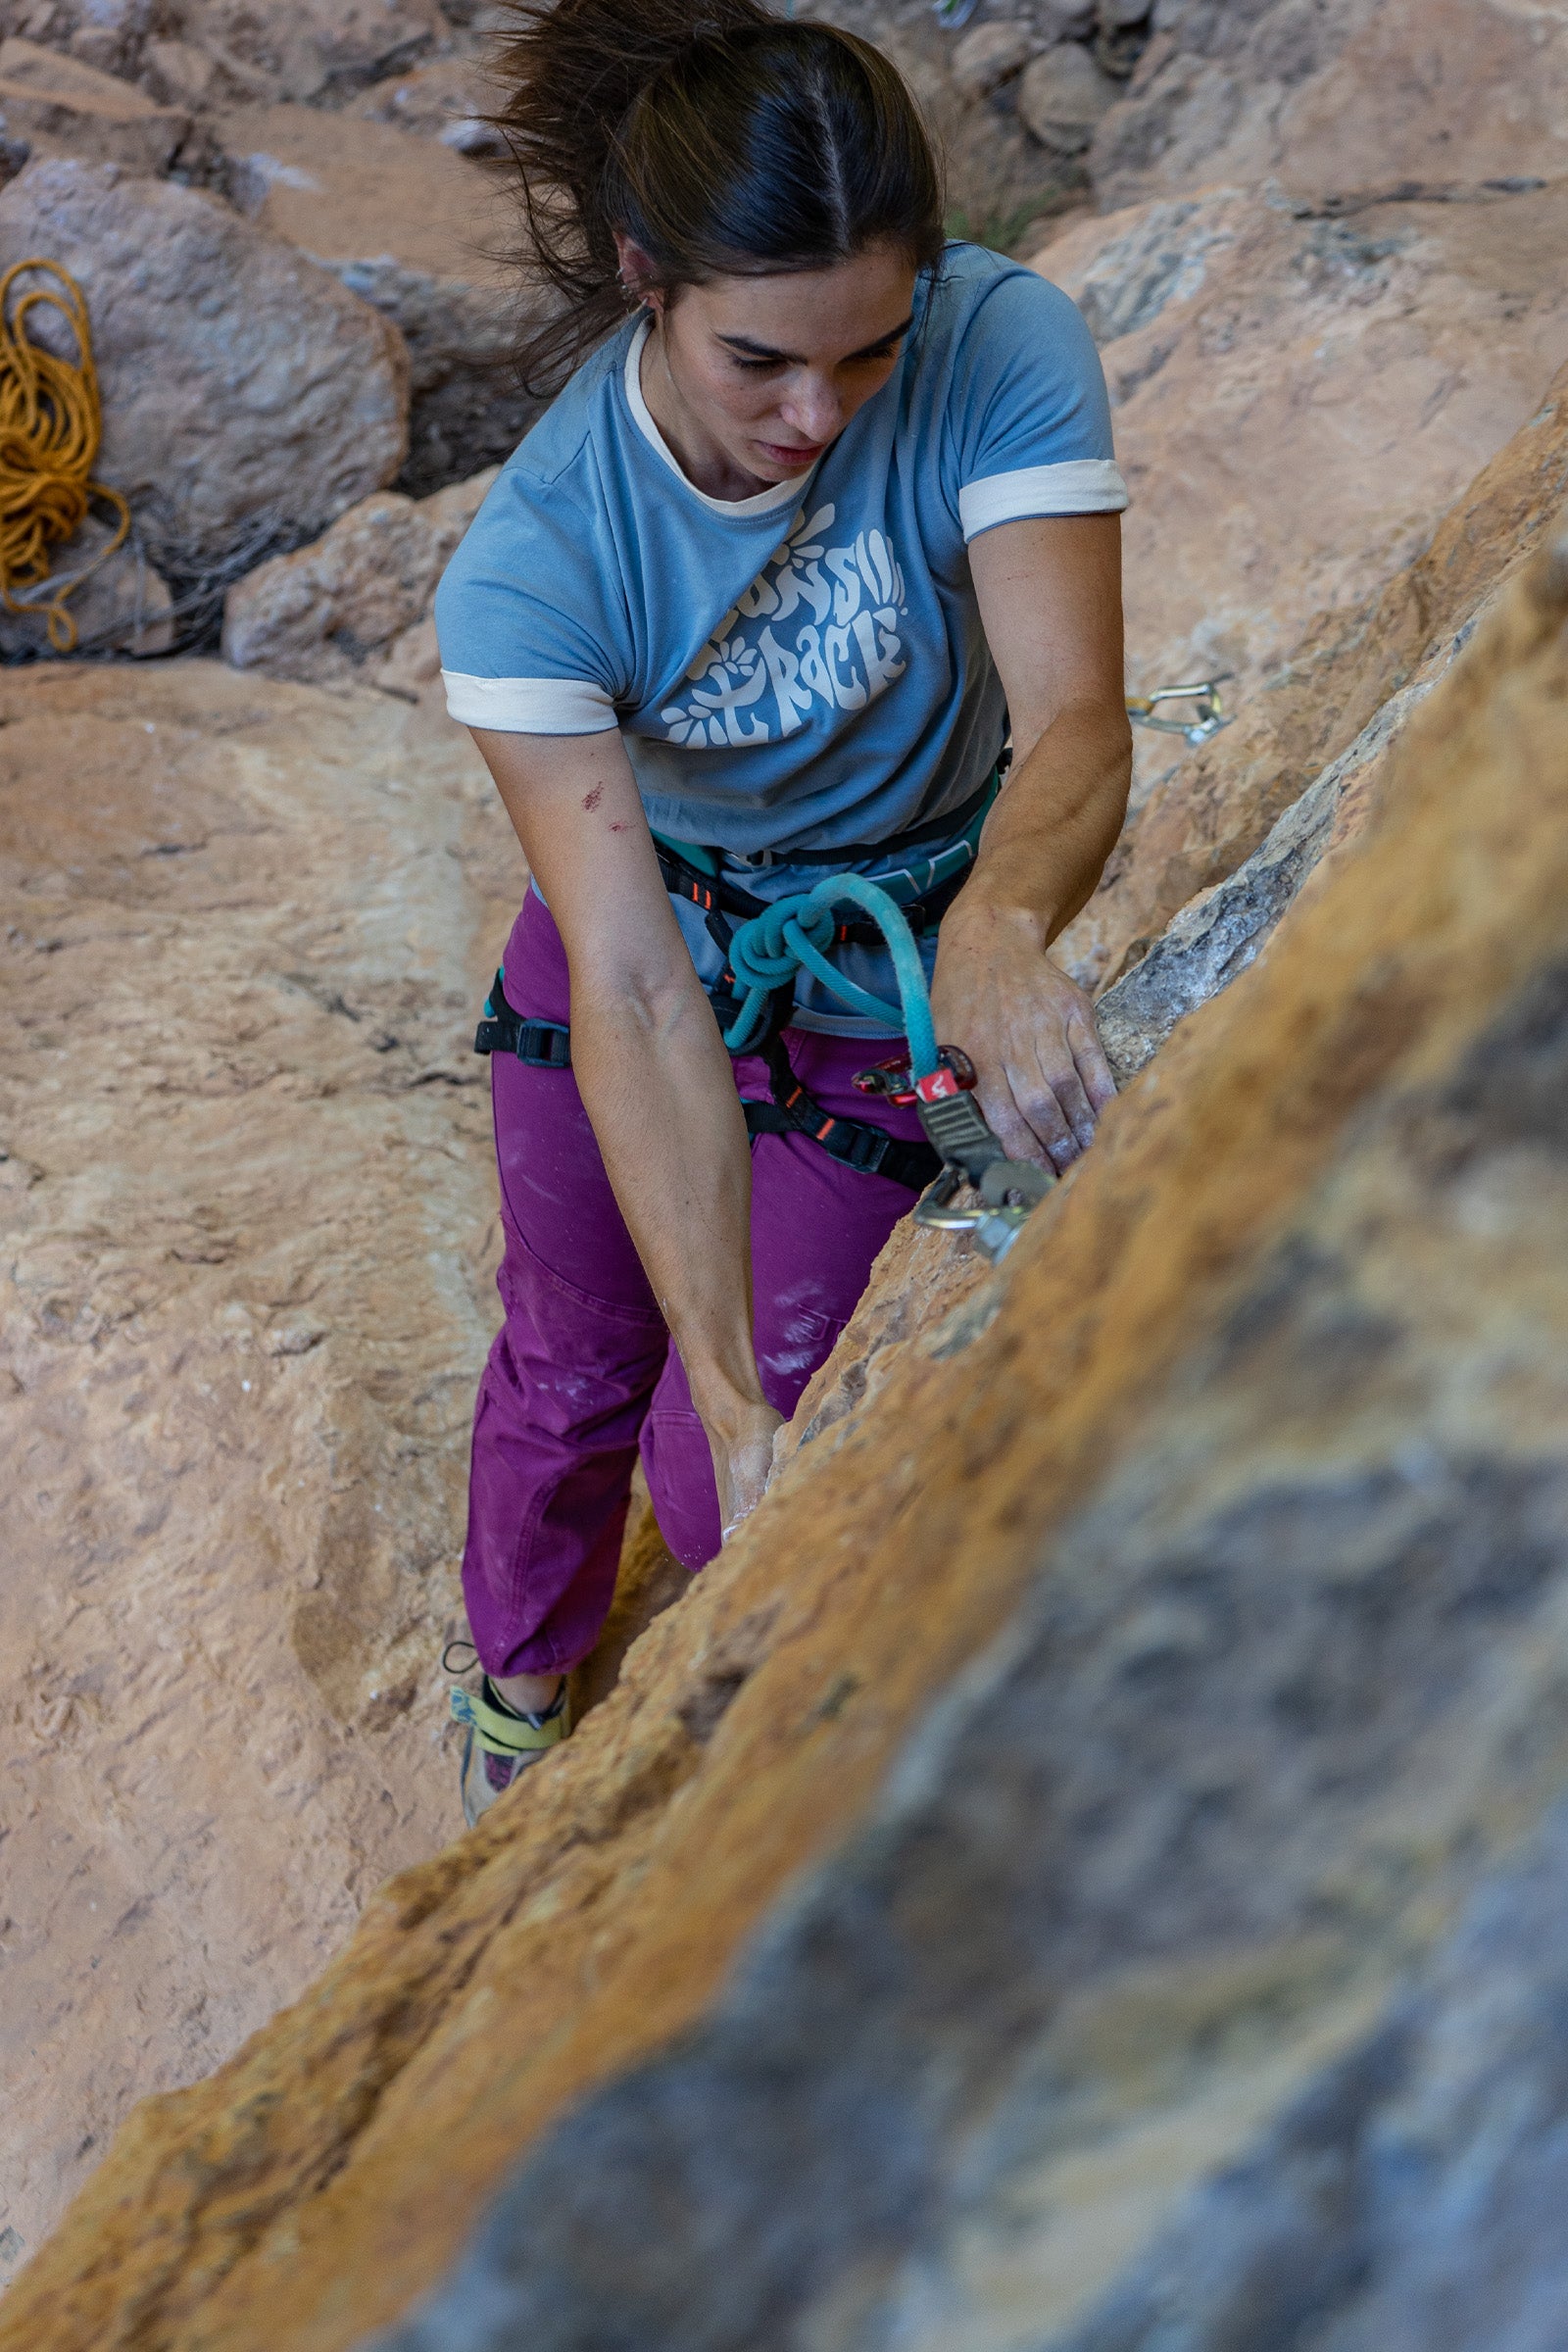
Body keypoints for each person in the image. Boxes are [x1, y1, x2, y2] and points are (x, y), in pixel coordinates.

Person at [435, 0, 1132, 1822]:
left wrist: (998, 926)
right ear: (641, 275)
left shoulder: (1000, 342)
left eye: (867, 353)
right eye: (761, 361)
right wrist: (727, 1390)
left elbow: (1073, 720)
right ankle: (518, 1681)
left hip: (885, 945)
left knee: (711, 1491)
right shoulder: (538, 560)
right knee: (577, 1364)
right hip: (655, 933)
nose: (818, 417)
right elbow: (637, 986)